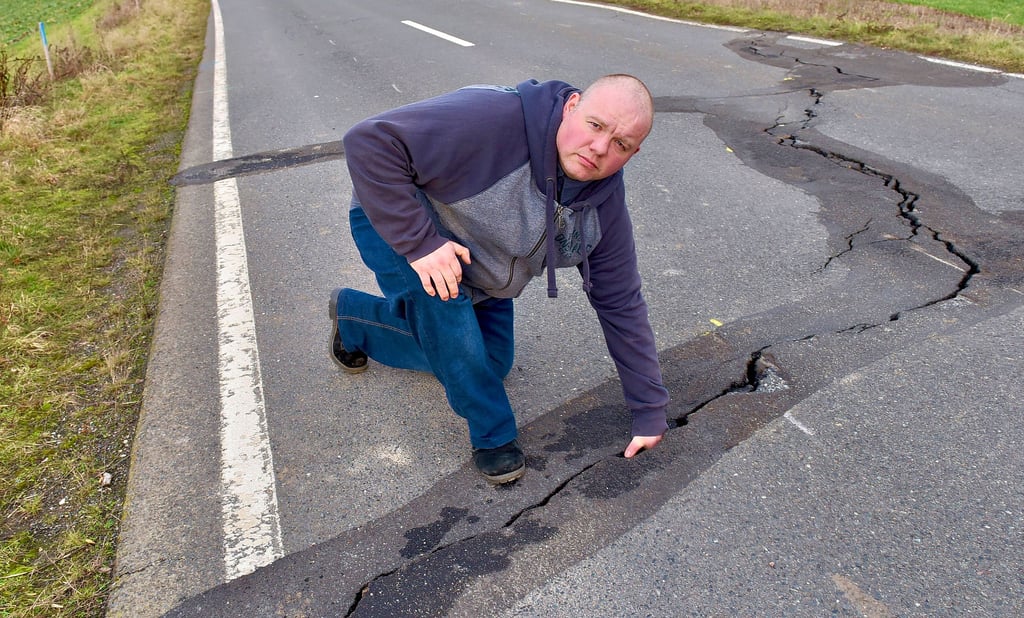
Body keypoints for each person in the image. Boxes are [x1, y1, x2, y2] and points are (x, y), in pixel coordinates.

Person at [329, 74, 669, 484]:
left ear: (633, 153)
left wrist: (649, 409)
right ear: (572, 106)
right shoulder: (492, 118)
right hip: (400, 222)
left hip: (480, 257)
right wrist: (420, 243)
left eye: (620, 145)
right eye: (595, 125)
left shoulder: (602, 207)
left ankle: (355, 320)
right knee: (449, 322)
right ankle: (493, 434)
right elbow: (368, 141)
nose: (599, 148)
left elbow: (620, 302)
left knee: (490, 363)